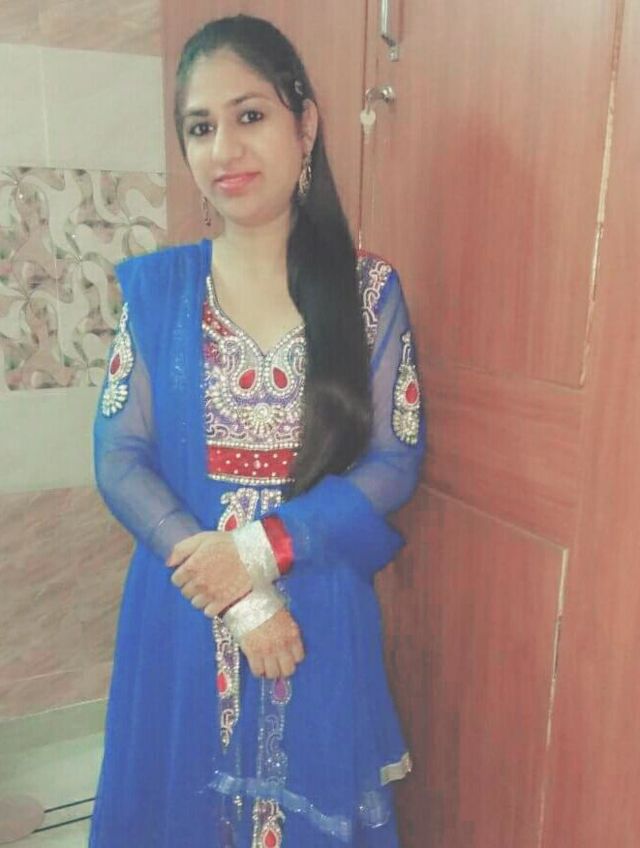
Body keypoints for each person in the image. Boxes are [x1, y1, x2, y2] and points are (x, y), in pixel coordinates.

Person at [90, 14, 425, 848]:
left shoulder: (367, 293)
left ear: (304, 124)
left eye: (249, 115)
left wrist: (260, 549)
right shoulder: (160, 294)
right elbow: (119, 457)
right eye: (200, 127)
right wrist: (234, 590)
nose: (224, 149)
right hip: (185, 612)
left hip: (316, 611)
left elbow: (394, 459)